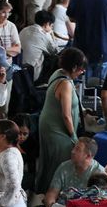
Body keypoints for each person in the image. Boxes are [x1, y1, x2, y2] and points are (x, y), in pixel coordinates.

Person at [36, 48, 88, 194]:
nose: (82, 72)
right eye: (81, 69)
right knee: (60, 161)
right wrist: (73, 136)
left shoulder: (58, 73)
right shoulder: (65, 84)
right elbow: (66, 115)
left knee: (48, 161)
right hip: (57, 128)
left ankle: (44, 191)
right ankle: (53, 194)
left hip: (48, 123)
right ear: (73, 68)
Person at [45, 137, 106, 207]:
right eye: (74, 148)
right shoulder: (64, 167)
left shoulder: (100, 174)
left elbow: (100, 205)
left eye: (77, 149)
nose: (72, 151)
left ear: (88, 156)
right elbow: (51, 194)